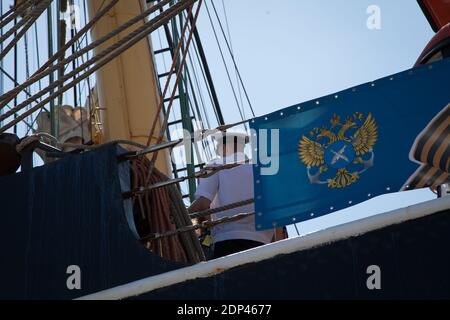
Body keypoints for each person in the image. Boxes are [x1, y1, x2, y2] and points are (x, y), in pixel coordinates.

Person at [188, 131, 283, 259]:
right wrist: (277, 248)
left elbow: (203, 203)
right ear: (242, 146)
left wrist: (177, 217)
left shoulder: (216, 166)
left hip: (227, 240)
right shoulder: (262, 169)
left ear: (224, 147)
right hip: (262, 242)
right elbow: (276, 215)